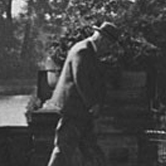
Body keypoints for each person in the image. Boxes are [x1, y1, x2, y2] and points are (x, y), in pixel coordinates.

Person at [47, 22, 121, 166]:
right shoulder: (83, 51)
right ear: (102, 39)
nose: (109, 49)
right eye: (109, 45)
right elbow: (80, 79)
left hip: (80, 110)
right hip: (74, 109)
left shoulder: (86, 50)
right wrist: (92, 104)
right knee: (64, 148)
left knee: (90, 150)